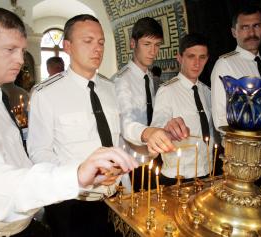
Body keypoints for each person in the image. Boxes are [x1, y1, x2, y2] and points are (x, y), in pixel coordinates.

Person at [0, 8, 137, 237]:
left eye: (22, 50)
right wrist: (75, 176)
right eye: (10, 50)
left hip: (25, 222)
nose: (21, 60)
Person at [28, 14, 134, 237]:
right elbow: (39, 152)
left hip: (116, 195)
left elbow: (118, 140)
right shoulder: (45, 93)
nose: (97, 48)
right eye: (88, 41)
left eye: (101, 42)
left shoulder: (110, 87)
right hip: (74, 202)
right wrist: (76, 174)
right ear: (67, 46)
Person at [113, 17, 176, 191]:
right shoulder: (121, 80)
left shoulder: (150, 78)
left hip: (154, 157)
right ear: (133, 44)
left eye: (157, 45)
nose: (153, 51)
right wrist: (150, 134)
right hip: (133, 162)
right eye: (147, 44)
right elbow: (125, 123)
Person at [151, 33, 213, 184]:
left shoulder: (208, 91)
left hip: (207, 171)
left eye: (202, 57)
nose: (197, 63)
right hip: (178, 176)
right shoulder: (167, 90)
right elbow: (157, 125)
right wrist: (166, 128)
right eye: (191, 56)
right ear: (179, 57)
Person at [211, 5, 261, 130]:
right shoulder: (224, 64)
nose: (251, 33)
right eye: (245, 27)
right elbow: (221, 119)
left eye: (256, 26)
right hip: (244, 147)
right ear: (234, 32)